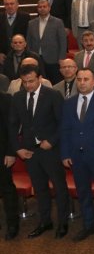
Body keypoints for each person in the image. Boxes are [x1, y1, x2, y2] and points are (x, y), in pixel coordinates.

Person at [8, 64, 69, 239]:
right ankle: (45, 221)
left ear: (40, 78)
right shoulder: (18, 97)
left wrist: (52, 140)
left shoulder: (53, 95)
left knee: (59, 187)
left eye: (31, 81)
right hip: (29, 152)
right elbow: (12, 126)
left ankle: (63, 222)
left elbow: (63, 123)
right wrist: (18, 148)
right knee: (40, 188)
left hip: (50, 150)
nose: (28, 85)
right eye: (25, 82)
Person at [60, 68, 94, 243]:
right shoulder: (69, 103)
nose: (82, 82)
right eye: (79, 79)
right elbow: (65, 130)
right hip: (77, 156)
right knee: (83, 192)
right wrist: (65, 153)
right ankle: (89, 225)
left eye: (86, 79)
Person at [26, 0, 67, 84]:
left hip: (53, 58)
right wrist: (29, 56)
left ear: (49, 8)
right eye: (40, 7)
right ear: (37, 9)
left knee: (55, 83)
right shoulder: (31, 23)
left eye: (44, 6)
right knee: (38, 82)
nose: (42, 8)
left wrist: (61, 58)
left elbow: (63, 41)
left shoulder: (58, 22)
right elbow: (28, 41)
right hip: (36, 58)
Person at [0, 87, 19, 240]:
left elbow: (11, 128)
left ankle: (13, 224)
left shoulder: (6, 99)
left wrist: (11, 152)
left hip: (3, 152)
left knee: (7, 188)